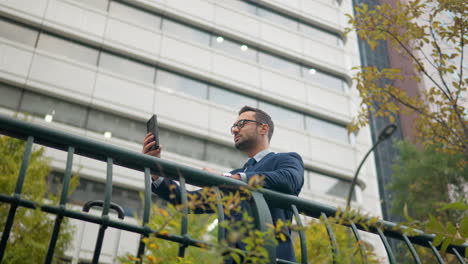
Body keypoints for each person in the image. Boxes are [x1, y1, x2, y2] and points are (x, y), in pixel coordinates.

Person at [142, 106, 304, 262]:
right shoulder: (234, 175)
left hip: (272, 257)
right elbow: (188, 202)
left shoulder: (285, 159)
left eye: (241, 124)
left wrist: (230, 179)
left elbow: (289, 179)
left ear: (263, 129)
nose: (234, 130)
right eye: (233, 126)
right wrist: (156, 171)